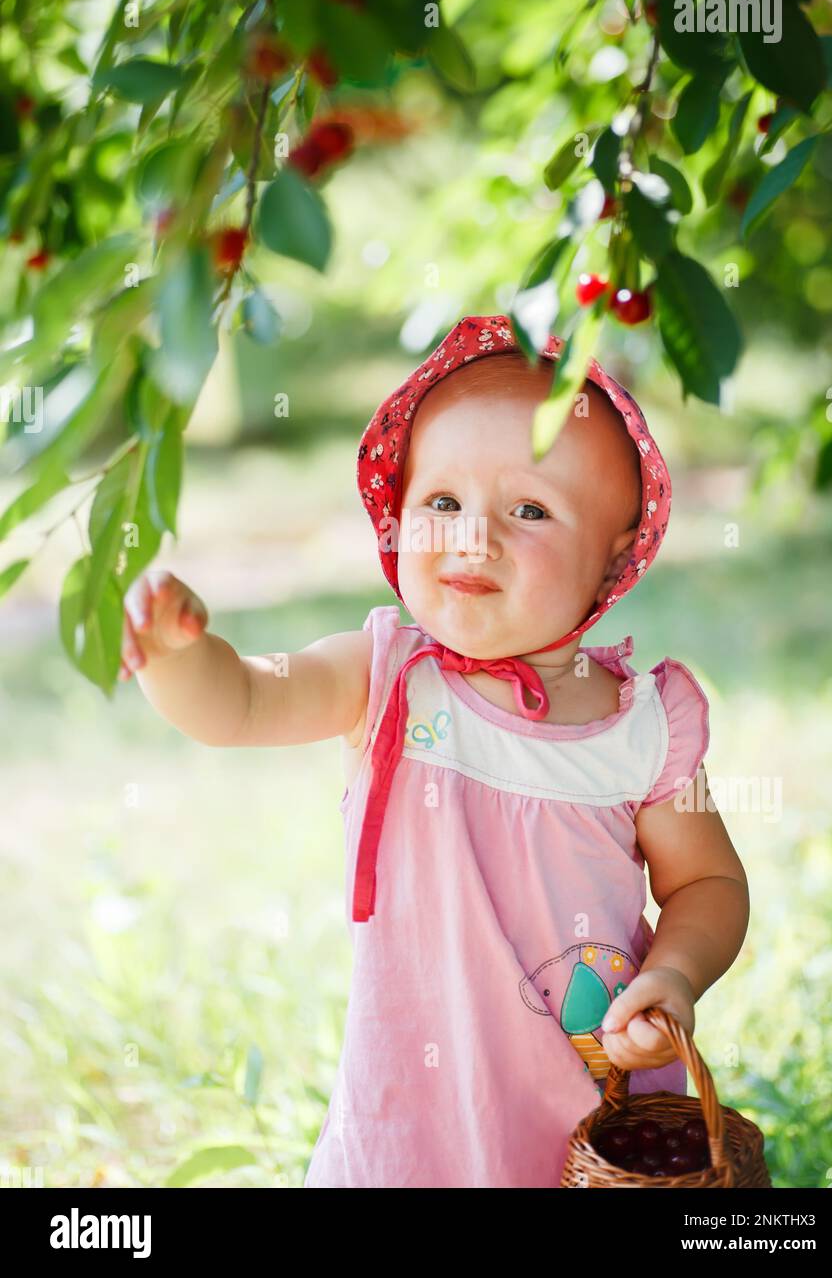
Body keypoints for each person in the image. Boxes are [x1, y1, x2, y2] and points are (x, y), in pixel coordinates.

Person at [121, 314, 749, 1188]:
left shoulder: (643, 725)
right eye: (442, 503)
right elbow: (245, 701)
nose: (471, 536)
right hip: (410, 1125)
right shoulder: (385, 676)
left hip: (589, 1119)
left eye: (529, 509)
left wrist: (676, 974)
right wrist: (180, 653)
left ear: (615, 558)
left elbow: (708, 884)